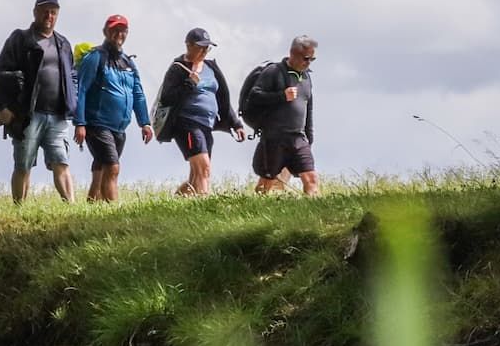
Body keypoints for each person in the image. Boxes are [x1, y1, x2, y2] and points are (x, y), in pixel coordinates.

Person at [0, 0, 77, 204]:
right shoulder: (20, 39)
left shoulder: (63, 43)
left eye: (53, 12)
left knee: (61, 162)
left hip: (57, 114)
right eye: (45, 11)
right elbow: (1, 74)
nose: (49, 15)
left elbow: (72, 75)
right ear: (35, 12)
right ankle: (19, 210)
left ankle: (72, 207)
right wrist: (1, 107)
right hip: (27, 114)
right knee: (23, 165)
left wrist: (74, 101)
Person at [72, 15, 153, 204]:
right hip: (97, 124)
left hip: (119, 127)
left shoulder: (129, 63)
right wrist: (80, 123)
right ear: (106, 32)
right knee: (113, 167)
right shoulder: (95, 57)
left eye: (123, 30)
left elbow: (138, 93)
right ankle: (115, 213)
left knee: (101, 169)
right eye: (115, 30)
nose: (119, 34)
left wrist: (145, 123)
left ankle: (91, 208)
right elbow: (81, 90)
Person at [156, 27, 245, 197]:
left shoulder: (211, 67)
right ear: (189, 46)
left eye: (207, 48)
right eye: (201, 47)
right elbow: (167, 98)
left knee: (196, 177)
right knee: (204, 168)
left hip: (207, 125)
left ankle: (176, 201)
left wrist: (235, 123)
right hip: (186, 123)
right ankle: (206, 207)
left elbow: (222, 99)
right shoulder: (178, 67)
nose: (204, 51)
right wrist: (189, 83)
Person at [248, 35, 319, 196]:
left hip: (298, 139)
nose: (308, 63)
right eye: (306, 58)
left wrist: (309, 137)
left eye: (312, 59)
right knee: (266, 183)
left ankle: (315, 217)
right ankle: (254, 208)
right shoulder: (272, 72)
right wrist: (281, 96)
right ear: (293, 53)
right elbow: (254, 96)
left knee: (311, 178)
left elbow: (309, 110)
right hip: (274, 138)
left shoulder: (307, 77)